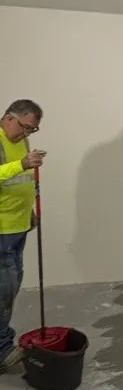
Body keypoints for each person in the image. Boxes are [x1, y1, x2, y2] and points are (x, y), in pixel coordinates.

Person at [0, 99, 46, 373]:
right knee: (4, 290)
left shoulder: (22, 141)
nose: (27, 134)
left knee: (12, 285)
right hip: (2, 229)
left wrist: (30, 212)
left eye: (33, 130)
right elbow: (17, 169)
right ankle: (2, 350)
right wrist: (21, 164)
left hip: (18, 227)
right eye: (26, 127)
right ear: (9, 118)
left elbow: (24, 181)